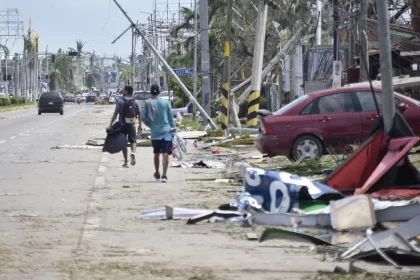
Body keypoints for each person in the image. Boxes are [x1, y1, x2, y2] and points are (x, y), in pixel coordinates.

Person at [142, 84, 176, 183]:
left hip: (155, 133)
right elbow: (170, 118)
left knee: (156, 153)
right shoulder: (166, 103)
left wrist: (151, 125)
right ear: (159, 91)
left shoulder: (148, 103)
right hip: (167, 132)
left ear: (151, 92)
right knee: (165, 154)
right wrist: (174, 129)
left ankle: (157, 173)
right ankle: (164, 175)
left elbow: (143, 117)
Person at [109, 85, 142, 167]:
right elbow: (139, 114)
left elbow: (115, 114)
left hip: (122, 125)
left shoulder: (120, 101)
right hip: (132, 124)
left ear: (127, 91)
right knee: (133, 141)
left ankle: (126, 161)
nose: (122, 91)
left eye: (123, 90)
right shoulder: (136, 101)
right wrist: (140, 125)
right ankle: (133, 153)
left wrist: (111, 124)